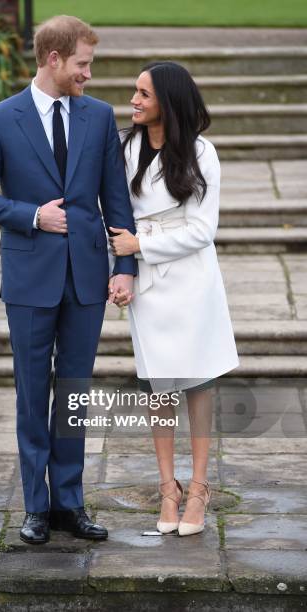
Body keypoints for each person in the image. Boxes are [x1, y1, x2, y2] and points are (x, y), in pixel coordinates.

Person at [0, 15, 136, 545]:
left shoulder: (100, 117)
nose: (88, 74)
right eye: (83, 64)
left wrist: (125, 265)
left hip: (86, 278)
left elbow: (116, 198)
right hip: (30, 278)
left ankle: (69, 503)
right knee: (32, 393)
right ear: (54, 59)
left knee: (74, 393)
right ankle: (35, 506)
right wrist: (32, 215)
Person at [109, 61, 239, 536]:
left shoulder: (202, 153)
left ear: (169, 100)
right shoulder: (125, 147)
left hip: (192, 281)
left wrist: (141, 245)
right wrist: (122, 269)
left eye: (144, 93)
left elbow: (203, 231)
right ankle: (169, 487)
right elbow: (116, 214)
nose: (134, 101)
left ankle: (200, 487)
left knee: (198, 383)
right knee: (158, 386)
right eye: (134, 91)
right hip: (147, 285)